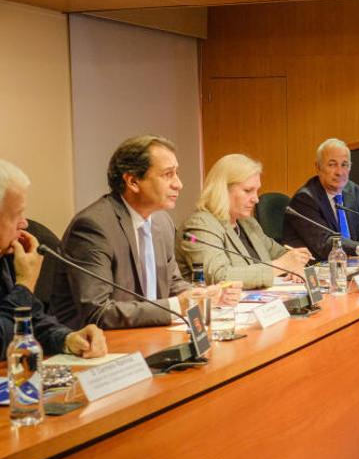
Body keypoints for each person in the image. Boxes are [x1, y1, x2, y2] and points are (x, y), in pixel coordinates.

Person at [50, 135, 238, 330]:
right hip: (97, 346)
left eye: (176, 173)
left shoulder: (161, 221)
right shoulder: (93, 227)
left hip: (147, 334)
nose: (178, 184)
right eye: (168, 174)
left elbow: (172, 284)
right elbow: (98, 313)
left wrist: (207, 296)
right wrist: (177, 306)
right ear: (133, 181)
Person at [0, 159, 105, 357]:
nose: (24, 224)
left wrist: (67, 339)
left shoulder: (7, 254)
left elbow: (32, 320)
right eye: (17, 215)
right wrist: (24, 285)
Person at [177, 154, 312, 289]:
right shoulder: (200, 225)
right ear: (222, 189)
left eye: (256, 191)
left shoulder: (247, 223)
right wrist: (281, 265)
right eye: (248, 191)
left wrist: (295, 265)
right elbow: (219, 277)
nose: (256, 199)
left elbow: (281, 254)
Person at [282, 138, 359, 260]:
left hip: (353, 261)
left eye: (344, 164)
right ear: (318, 167)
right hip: (316, 267)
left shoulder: (354, 190)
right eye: (332, 164)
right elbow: (325, 243)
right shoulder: (305, 199)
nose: (340, 172)